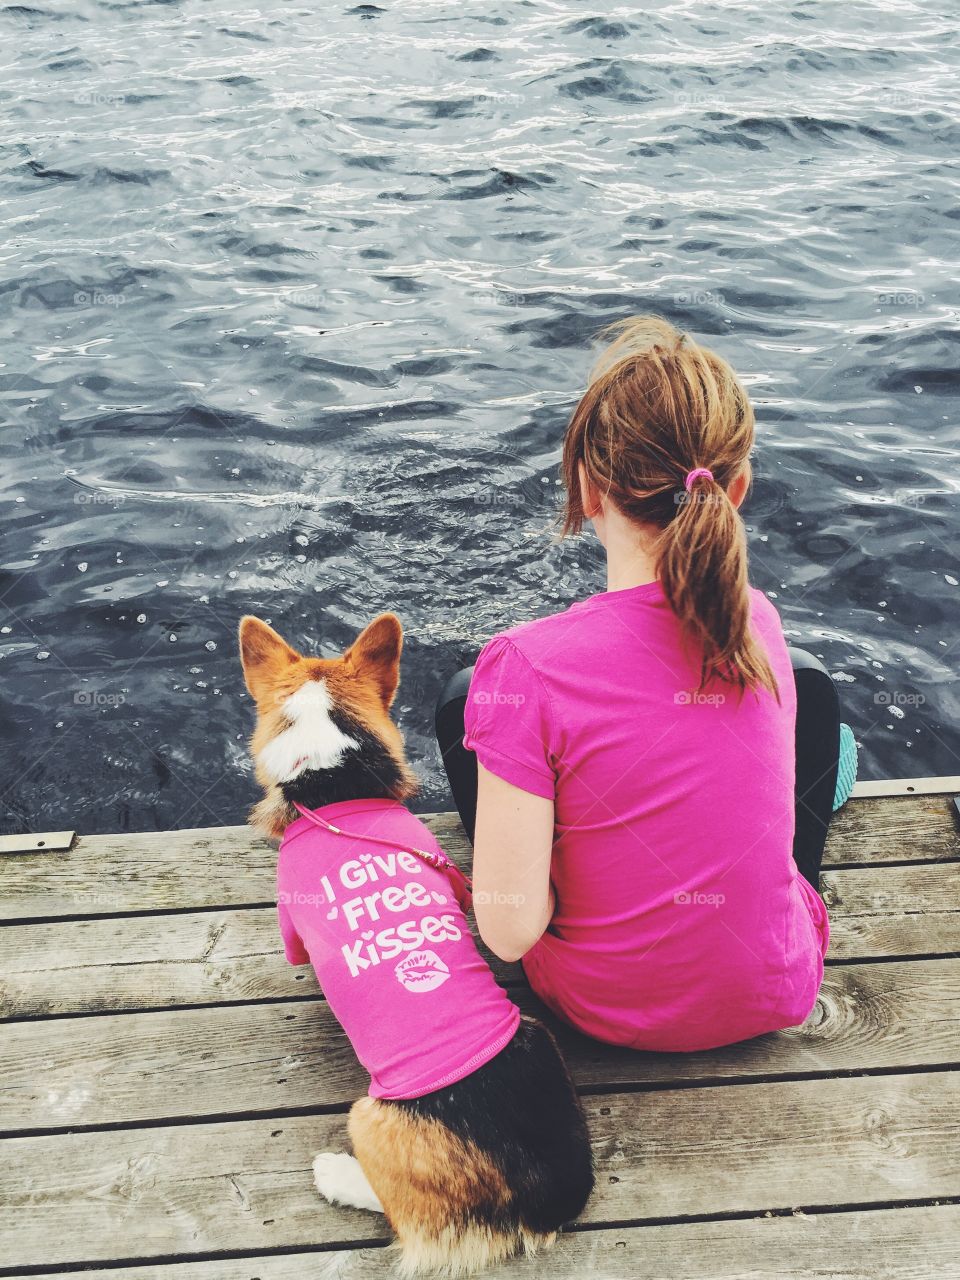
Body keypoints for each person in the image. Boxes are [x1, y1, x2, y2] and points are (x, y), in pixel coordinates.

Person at [434, 316, 856, 1053]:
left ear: (587, 488)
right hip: (780, 990)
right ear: (739, 489)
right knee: (816, 703)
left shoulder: (524, 668)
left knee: (461, 701)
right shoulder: (758, 619)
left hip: (607, 1011)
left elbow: (508, 933)